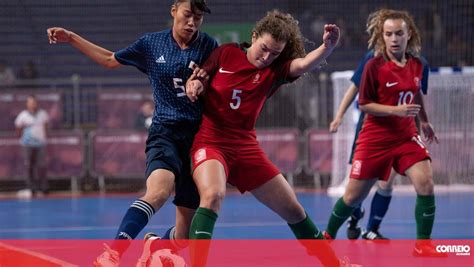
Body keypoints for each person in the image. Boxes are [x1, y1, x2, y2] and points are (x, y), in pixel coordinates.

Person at [47, 1, 218, 266]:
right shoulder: (151, 44)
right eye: (187, 15)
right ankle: (112, 253)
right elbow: (108, 60)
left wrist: (204, 85)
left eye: (197, 17)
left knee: (184, 237)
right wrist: (71, 38)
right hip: (165, 133)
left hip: (198, 140)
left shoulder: (209, 46)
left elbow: (221, 85)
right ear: (173, 10)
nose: (192, 23)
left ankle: (154, 246)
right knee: (158, 192)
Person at [185, 10, 341, 267]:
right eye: (264, 48)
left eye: (275, 53)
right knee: (213, 196)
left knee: (294, 209)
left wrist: (327, 47)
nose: (266, 57)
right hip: (211, 142)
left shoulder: (274, 71)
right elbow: (200, 77)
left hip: (245, 147)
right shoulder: (226, 53)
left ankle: (334, 263)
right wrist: (195, 84)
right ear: (254, 36)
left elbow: (301, 64)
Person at [323, 9, 445, 257]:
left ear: (408, 34)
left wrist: (425, 121)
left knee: (426, 183)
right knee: (352, 197)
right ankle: (326, 236)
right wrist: (395, 110)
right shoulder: (373, 65)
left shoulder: (420, 65)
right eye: (389, 34)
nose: (394, 38)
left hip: (405, 136)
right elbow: (364, 104)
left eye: (399, 33)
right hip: (375, 138)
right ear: (382, 36)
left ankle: (423, 244)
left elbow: (416, 92)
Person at [14, 95, 49, 198]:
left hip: (40, 144)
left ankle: (44, 188)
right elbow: (18, 127)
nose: (32, 104)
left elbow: (46, 126)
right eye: (30, 102)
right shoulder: (23, 115)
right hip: (27, 144)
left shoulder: (43, 114)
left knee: (42, 166)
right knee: (29, 166)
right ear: (27, 104)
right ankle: (31, 188)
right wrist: (22, 138)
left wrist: (42, 137)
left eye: (33, 102)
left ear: (36, 103)